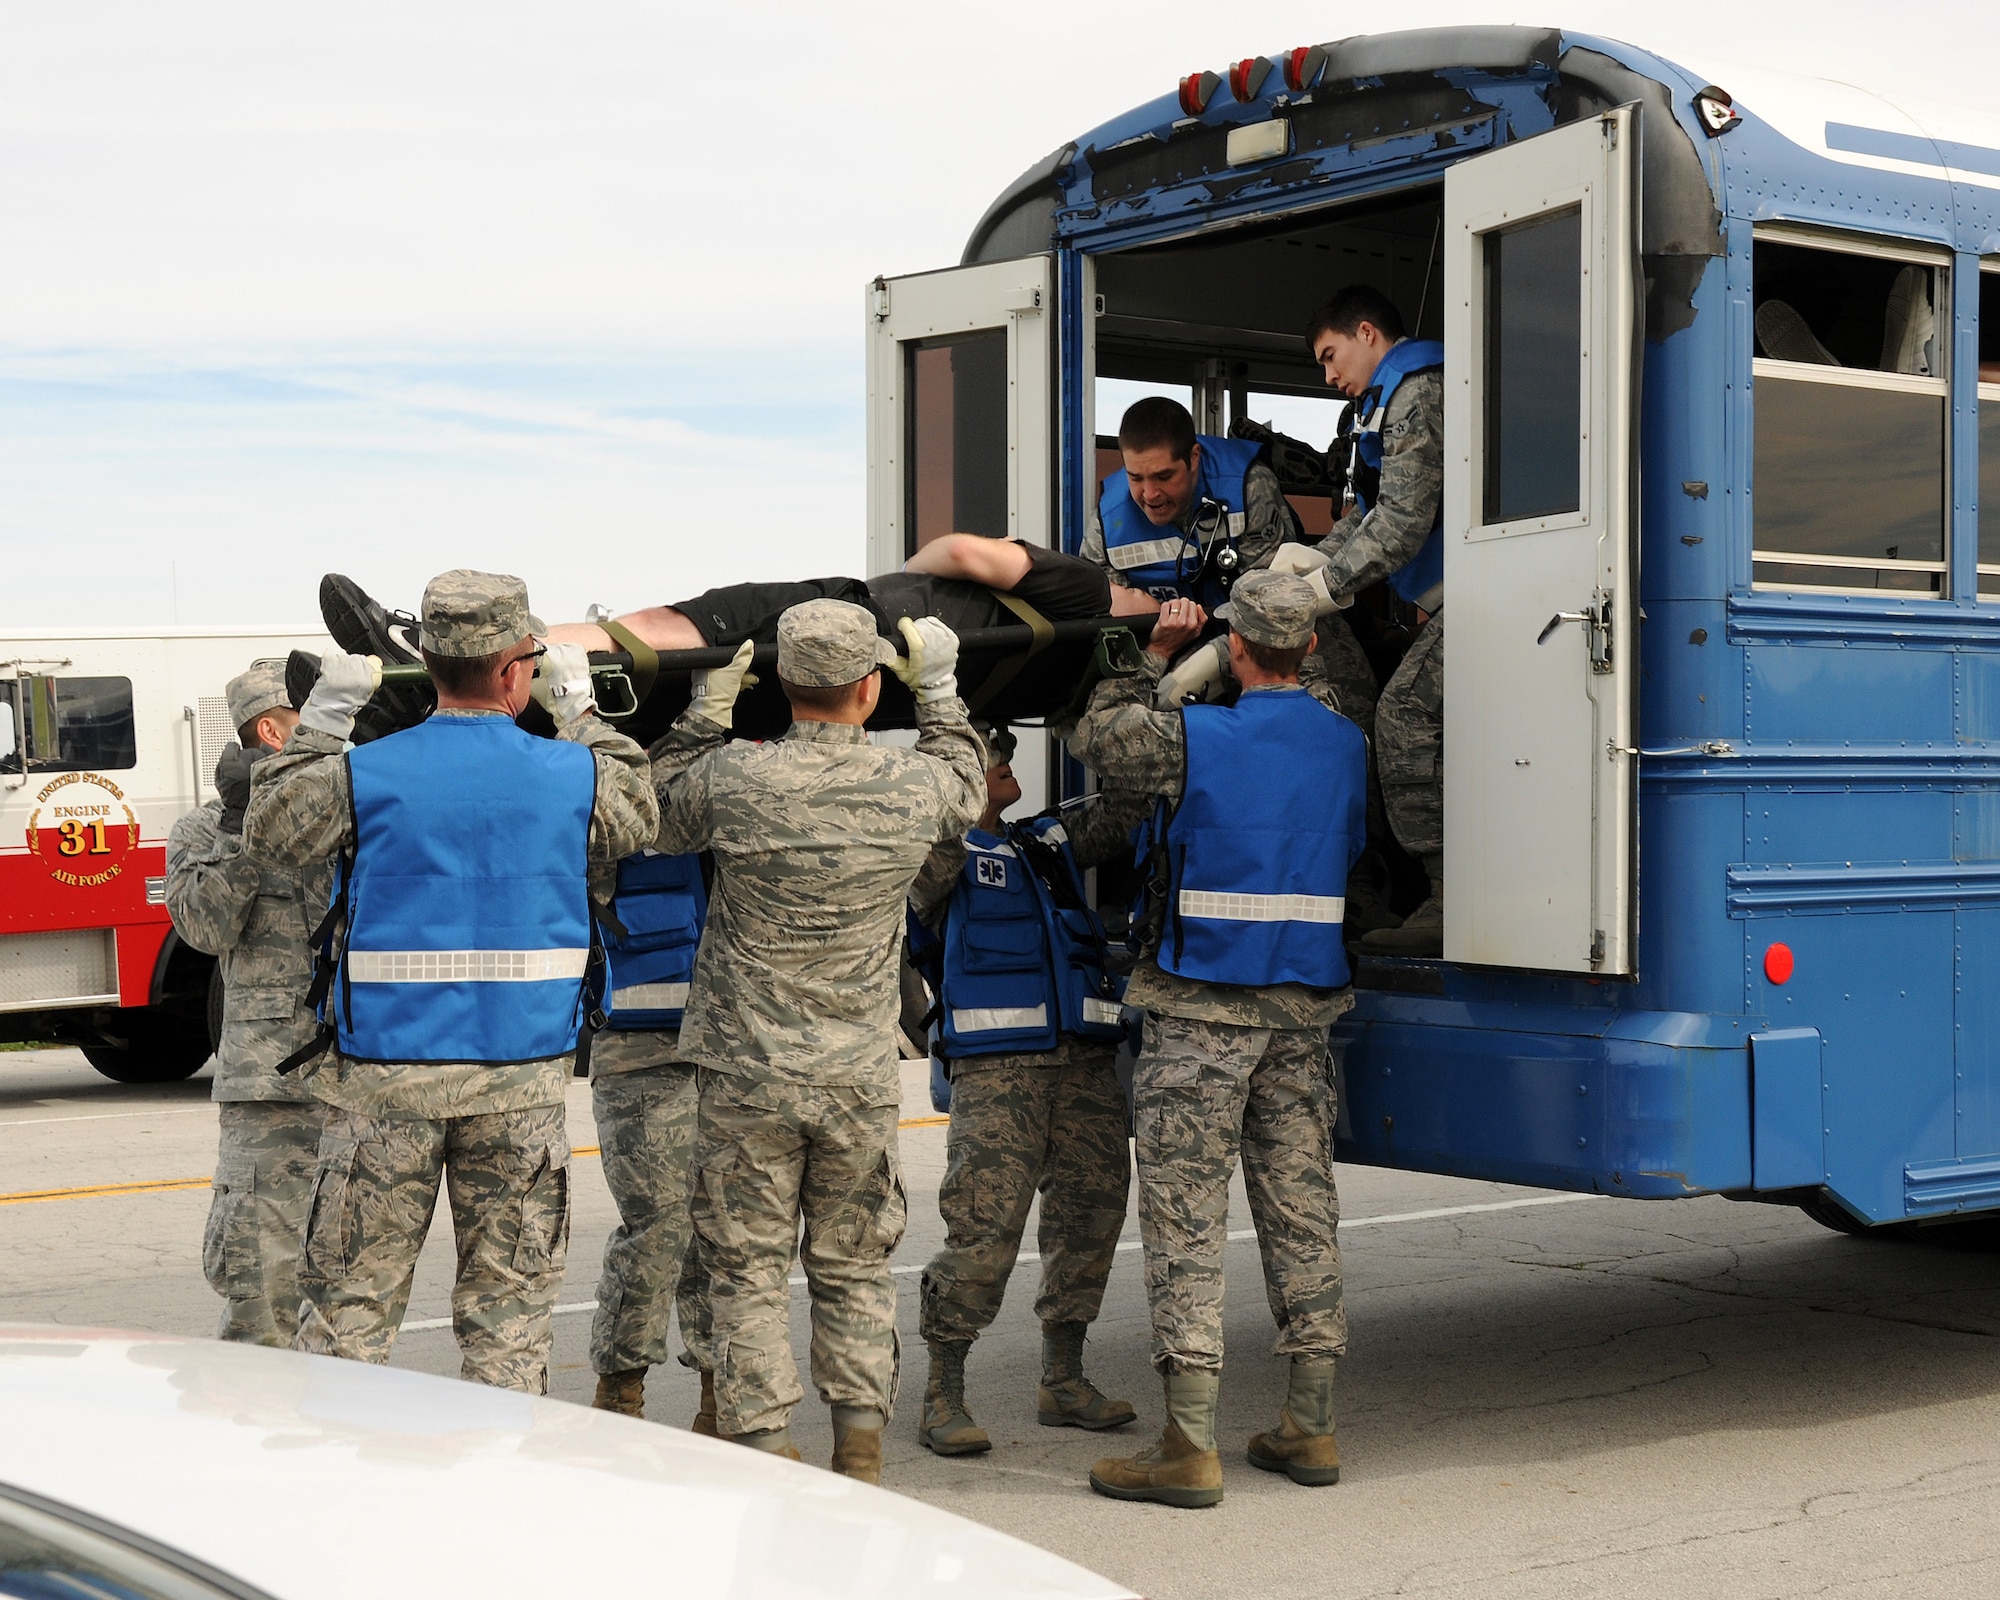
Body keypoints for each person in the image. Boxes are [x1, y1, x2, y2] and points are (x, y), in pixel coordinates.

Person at [242, 570, 658, 1394]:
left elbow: (271, 830)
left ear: (426, 663)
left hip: (384, 1085)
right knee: (510, 1321)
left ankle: (339, 1491)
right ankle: (498, 1492)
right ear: (517, 672)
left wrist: (324, 721)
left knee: (349, 1314)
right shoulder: (570, 773)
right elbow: (641, 814)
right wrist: (578, 712)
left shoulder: (366, 771)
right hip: (521, 1083)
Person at [647, 599, 985, 1482]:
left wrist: (703, 710)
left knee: (748, 1270)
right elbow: (967, 780)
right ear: (870, 689)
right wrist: (943, 688)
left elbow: (651, 809)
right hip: (857, 1076)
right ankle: (861, 1453)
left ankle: (764, 1447)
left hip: (745, 1073)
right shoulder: (914, 786)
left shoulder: (733, 777)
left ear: (784, 687)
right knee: (853, 1268)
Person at [1068, 572, 1365, 1509]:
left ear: (1235, 648)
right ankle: (1308, 1428)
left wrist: (1151, 658)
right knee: (1301, 1212)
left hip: (1202, 1014)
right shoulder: (1346, 742)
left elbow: (1100, 742)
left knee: (1188, 1222)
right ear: (1311, 647)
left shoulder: (1202, 737)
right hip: (1304, 1015)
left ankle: (1188, 1447)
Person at [907, 727, 1149, 1457]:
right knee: (983, 1232)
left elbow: (1131, 800)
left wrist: (1123, 699)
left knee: (1090, 1215)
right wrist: (958, 782)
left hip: (1081, 1065)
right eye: (986, 749)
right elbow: (932, 872)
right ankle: (942, 1392)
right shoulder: (933, 856)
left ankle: (1063, 1380)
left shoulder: (1045, 843)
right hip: (997, 1073)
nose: (1003, 752)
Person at [164, 659, 329, 1347]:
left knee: (351, 1302)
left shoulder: (347, 804)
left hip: (362, 1078)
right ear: (271, 728)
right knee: (260, 1296)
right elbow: (203, 926)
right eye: (313, 719)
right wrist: (248, 827)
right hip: (270, 1093)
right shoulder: (204, 832)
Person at [1298, 285, 1447, 956]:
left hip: (1486, 597)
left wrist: (1320, 590)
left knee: (1403, 718)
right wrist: (1301, 567)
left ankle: (1449, 896)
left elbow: (1403, 522)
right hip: (1453, 601)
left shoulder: (1416, 392)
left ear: (1366, 333)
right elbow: (1362, 515)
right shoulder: (1380, 407)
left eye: (1332, 358)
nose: (1331, 378)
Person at [584, 846, 715, 1429]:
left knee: (725, 1229)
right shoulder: (612, 802)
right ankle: (620, 1389)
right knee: (658, 1225)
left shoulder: (736, 790)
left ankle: (722, 1393)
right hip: (641, 1052)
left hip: (733, 1048)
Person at [1080, 396, 1297, 608]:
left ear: (1194, 457)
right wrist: (1157, 638)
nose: (1149, 494)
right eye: (1135, 478)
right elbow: (1100, 608)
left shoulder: (1248, 486)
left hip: (1239, 634)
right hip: (1156, 637)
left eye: (1163, 476)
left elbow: (1269, 604)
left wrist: (1213, 645)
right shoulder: (1108, 521)